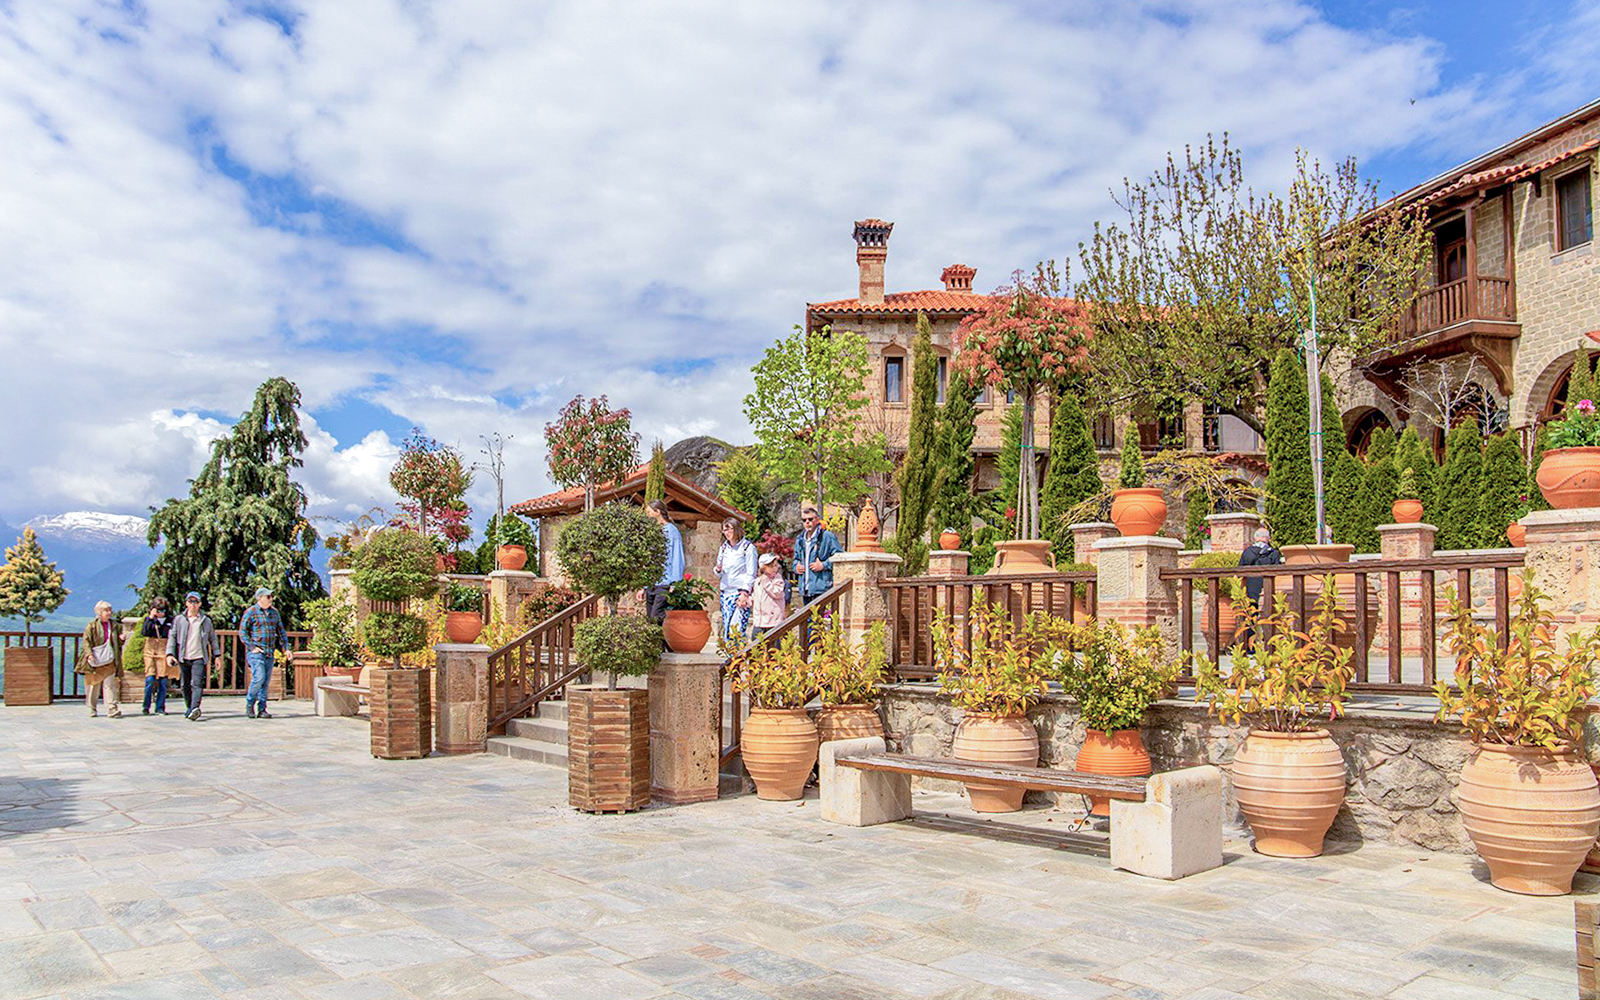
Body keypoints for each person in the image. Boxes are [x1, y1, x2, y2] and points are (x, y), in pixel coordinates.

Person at [168, 591, 220, 721]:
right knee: (185, 684)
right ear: (186, 603)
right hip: (183, 657)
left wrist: (217, 656)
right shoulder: (179, 619)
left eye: (196, 602)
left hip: (199, 656)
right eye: (190, 602)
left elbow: (212, 639)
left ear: (200, 604)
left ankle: (195, 707)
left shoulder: (205, 621)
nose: (193, 605)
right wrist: (170, 654)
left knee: (196, 683)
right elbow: (172, 637)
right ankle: (190, 708)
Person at [238, 587, 287, 719]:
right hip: (256, 652)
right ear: (260, 598)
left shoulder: (274, 613)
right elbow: (242, 632)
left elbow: (281, 631)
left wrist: (286, 648)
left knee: (265, 682)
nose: (271, 599)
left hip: (269, 652)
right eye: (268, 596)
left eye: (271, 596)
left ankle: (262, 709)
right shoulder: (251, 612)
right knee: (258, 677)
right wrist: (252, 647)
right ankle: (250, 703)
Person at [640, 499, 685, 624]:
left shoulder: (672, 531)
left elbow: (677, 557)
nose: (647, 515)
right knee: (650, 621)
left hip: (665, 584)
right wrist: (643, 586)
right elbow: (650, 560)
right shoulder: (653, 532)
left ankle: (664, 644)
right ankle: (656, 644)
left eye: (649, 512)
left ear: (657, 512)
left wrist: (675, 583)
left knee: (657, 618)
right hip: (651, 584)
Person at [714, 518, 758, 642]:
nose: (726, 532)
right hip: (725, 593)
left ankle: (739, 658)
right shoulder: (723, 548)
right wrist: (718, 570)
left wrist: (745, 593)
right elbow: (720, 572)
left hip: (740, 593)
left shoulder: (747, 548)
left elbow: (751, 572)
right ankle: (731, 659)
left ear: (736, 529)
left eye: (729, 529)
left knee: (737, 630)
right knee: (727, 629)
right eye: (724, 530)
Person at [1238, 527, 1282, 649]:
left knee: (1250, 617)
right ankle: (1270, 646)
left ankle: (1250, 647)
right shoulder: (1273, 553)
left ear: (1255, 538)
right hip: (1268, 589)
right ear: (1267, 539)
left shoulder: (1247, 552)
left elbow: (1240, 571)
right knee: (1269, 616)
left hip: (1250, 588)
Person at [78, 601, 123, 718]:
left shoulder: (115, 626)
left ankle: (112, 709)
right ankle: (92, 708)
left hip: (110, 660)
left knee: (110, 684)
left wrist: (121, 639)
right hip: (96, 660)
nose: (109, 613)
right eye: (106, 610)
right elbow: (86, 641)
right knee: (93, 684)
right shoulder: (91, 626)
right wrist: (89, 654)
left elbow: (118, 643)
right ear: (99, 612)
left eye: (110, 610)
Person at [792, 503, 842, 604]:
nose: (807, 522)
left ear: (817, 519)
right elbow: (796, 559)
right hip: (805, 589)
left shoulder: (827, 536)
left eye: (810, 519)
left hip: (821, 588)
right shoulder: (800, 539)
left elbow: (839, 557)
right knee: (808, 619)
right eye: (804, 520)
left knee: (818, 619)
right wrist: (796, 567)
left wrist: (823, 565)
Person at [141, 597, 174, 715]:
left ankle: (160, 707)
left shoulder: (171, 620)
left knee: (163, 681)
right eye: (158, 610)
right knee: (150, 679)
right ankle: (146, 706)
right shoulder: (150, 620)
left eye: (163, 610)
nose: (161, 613)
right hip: (150, 651)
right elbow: (144, 632)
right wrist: (150, 618)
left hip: (163, 651)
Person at [751, 553, 787, 639]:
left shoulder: (778, 579)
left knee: (774, 647)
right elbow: (756, 595)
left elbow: (777, 593)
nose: (775, 568)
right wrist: (749, 600)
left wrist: (767, 583)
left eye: (775, 565)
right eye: (771, 566)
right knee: (756, 646)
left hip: (773, 621)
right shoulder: (758, 580)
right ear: (763, 568)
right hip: (759, 620)